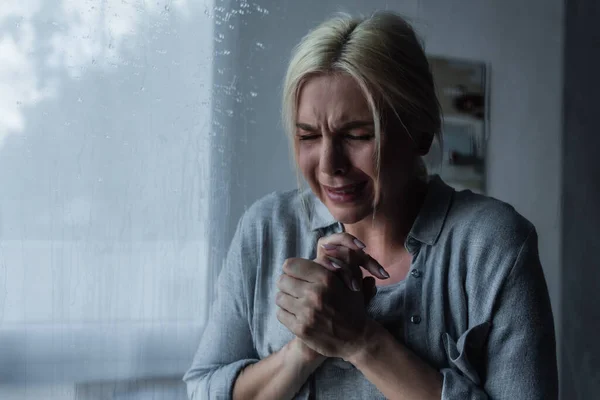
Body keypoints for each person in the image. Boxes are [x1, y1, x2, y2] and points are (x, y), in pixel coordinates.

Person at [183, 11, 558, 400]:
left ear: (421, 134)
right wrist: (305, 349)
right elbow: (202, 390)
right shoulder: (264, 230)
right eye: (308, 136)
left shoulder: (494, 245)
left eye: (358, 135)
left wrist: (360, 340)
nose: (329, 166)